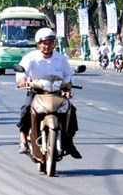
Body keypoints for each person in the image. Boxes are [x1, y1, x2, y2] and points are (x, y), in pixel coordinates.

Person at [16, 27, 82, 159]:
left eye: (50, 42)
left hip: (57, 92)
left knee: (71, 109)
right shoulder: (31, 57)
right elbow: (21, 71)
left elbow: (69, 74)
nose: (47, 46)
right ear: (38, 44)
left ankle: (69, 141)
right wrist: (22, 80)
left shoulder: (61, 59)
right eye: (44, 43)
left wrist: (68, 87)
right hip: (36, 91)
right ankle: (23, 138)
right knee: (26, 108)